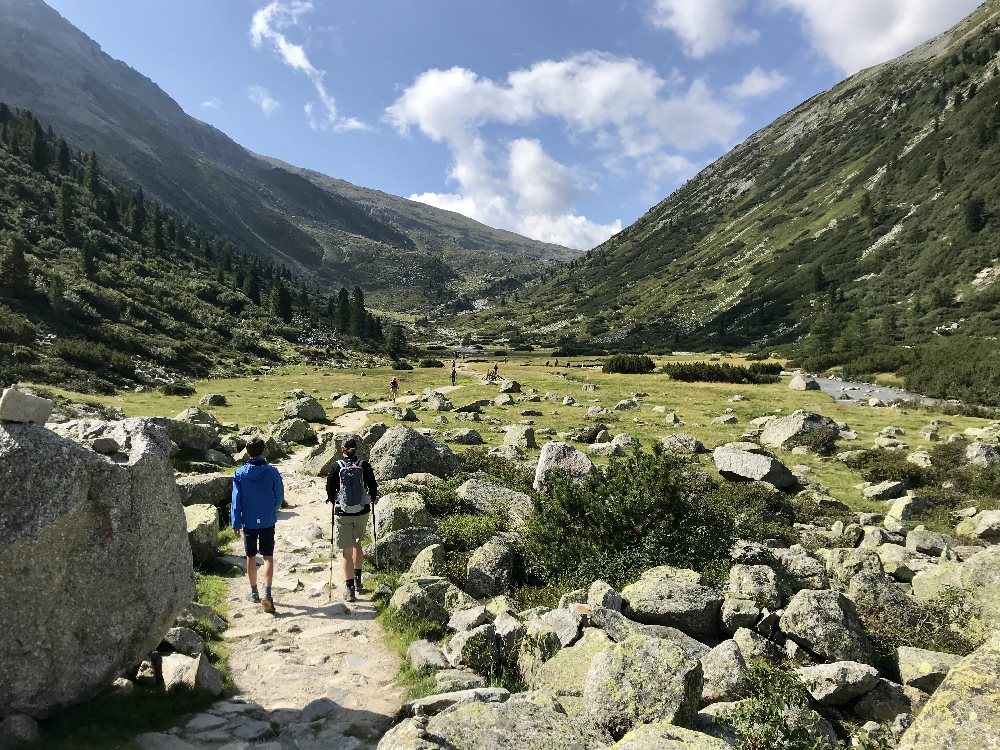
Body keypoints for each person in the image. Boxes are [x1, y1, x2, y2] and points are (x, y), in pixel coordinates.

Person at [231, 436, 285, 614]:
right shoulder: (272, 472)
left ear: (246, 453)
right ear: (264, 451)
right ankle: (267, 592)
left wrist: (235, 522)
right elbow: (279, 496)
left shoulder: (239, 474)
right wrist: (273, 509)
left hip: (249, 520)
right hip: (267, 519)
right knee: (268, 556)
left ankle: (253, 592)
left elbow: (236, 500)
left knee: (251, 556)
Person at [326, 437, 379, 602]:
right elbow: (373, 487)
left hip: (343, 513)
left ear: (342, 451)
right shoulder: (364, 465)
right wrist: (371, 499)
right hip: (362, 512)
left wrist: (334, 500)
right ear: (356, 450)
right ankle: (358, 580)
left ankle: (349, 589)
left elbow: (329, 489)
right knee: (358, 544)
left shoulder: (336, 467)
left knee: (346, 552)